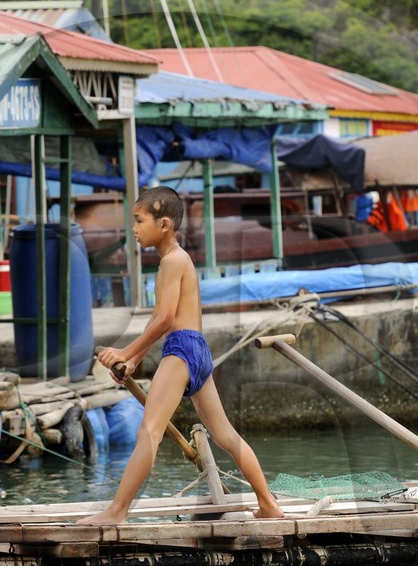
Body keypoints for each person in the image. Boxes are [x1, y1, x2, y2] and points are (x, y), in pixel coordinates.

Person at [78, 186, 285, 525]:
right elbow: (159, 319)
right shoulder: (174, 259)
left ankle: (116, 512)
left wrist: (125, 350)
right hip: (196, 350)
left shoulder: (173, 261)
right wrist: (133, 359)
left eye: (139, 220)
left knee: (149, 433)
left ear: (164, 224)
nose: (133, 228)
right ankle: (269, 505)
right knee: (225, 435)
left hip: (183, 350)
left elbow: (165, 319)